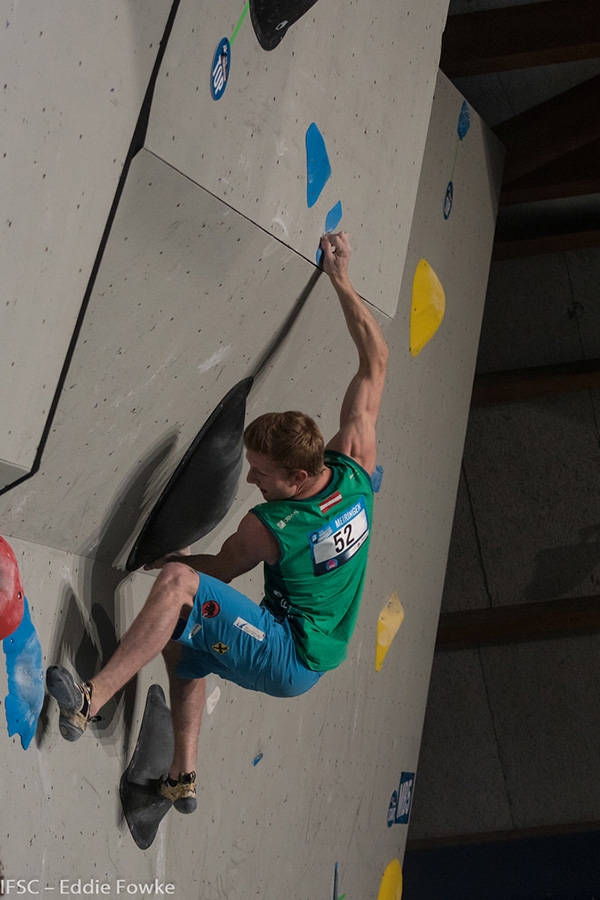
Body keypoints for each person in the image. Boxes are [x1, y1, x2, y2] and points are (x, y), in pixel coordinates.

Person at [46, 231, 388, 814]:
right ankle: (182, 778)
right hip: (316, 650)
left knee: (179, 589)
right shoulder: (354, 467)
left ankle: (89, 698)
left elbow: (218, 571)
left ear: (299, 479)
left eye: (262, 475)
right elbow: (375, 359)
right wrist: (341, 279)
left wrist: (167, 561)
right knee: (184, 640)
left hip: (288, 654)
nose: (251, 481)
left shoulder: (271, 526)